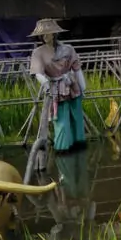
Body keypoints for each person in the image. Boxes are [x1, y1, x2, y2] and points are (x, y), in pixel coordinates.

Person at [28, 18, 87, 153]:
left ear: (55, 34)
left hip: (72, 85)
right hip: (55, 88)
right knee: (60, 120)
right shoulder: (38, 53)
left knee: (76, 117)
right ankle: (63, 148)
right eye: (43, 35)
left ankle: (79, 146)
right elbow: (38, 73)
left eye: (49, 33)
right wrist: (46, 84)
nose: (45, 36)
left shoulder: (68, 49)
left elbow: (77, 68)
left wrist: (83, 87)